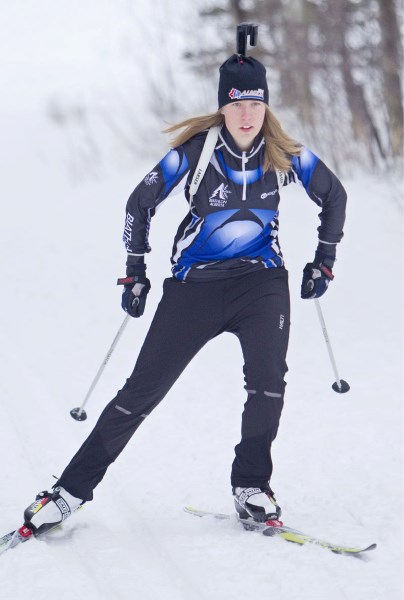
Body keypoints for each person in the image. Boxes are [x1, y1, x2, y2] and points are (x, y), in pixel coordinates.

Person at [22, 48, 346, 536]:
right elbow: (140, 200)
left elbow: (334, 196)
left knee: (267, 385)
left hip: (261, 283)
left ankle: (251, 486)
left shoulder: (286, 153)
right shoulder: (197, 150)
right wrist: (136, 270)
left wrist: (324, 261)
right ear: (222, 107)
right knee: (138, 395)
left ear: (266, 106)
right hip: (194, 287)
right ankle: (68, 493)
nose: (246, 115)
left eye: (255, 104)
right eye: (236, 104)